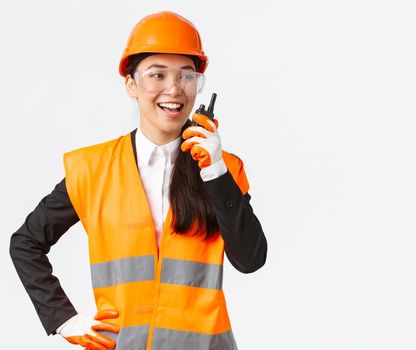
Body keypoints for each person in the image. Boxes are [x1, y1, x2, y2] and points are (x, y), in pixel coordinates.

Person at [9, 11, 267, 350]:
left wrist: (215, 172)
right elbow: (25, 243)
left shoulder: (224, 169)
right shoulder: (92, 168)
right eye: (157, 75)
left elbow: (250, 260)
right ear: (131, 84)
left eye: (186, 76)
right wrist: (62, 318)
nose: (174, 89)